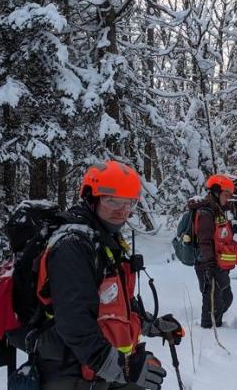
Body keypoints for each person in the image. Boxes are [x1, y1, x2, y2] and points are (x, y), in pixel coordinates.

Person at [34, 160, 182, 390]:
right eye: (111, 200)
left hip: (103, 368)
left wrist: (152, 325)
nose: (122, 209)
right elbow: (74, 321)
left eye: (129, 202)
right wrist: (121, 367)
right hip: (72, 372)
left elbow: (113, 305)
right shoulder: (72, 245)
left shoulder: (106, 241)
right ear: (92, 198)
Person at [188, 174, 237, 329]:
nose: (227, 198)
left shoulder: (217, 209)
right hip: (208, 264)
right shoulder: (206, 213)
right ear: (216, 192)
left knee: (226, 297)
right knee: (213, 302)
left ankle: (215, 323)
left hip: (218, 264)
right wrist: (210, 265)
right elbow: (204, 241)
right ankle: (209, 331)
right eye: (226, 194)